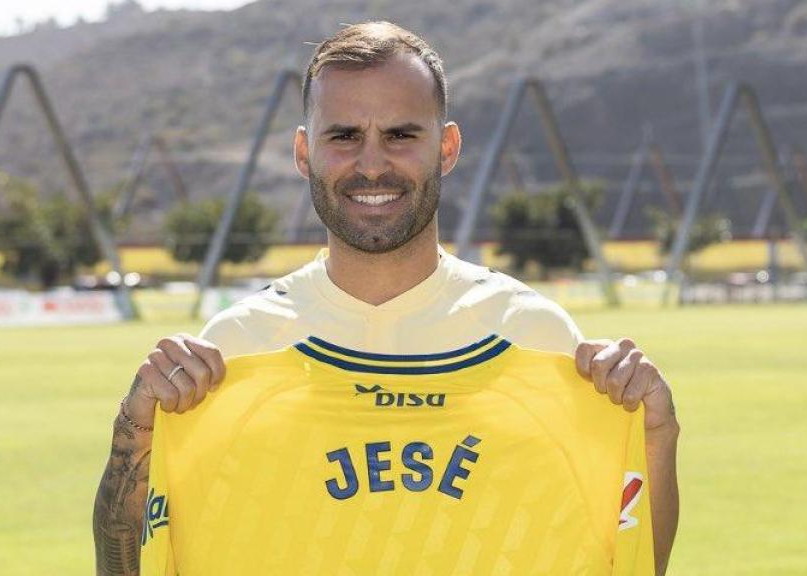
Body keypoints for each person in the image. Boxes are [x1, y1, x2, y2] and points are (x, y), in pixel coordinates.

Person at [94, 21, 679, 576]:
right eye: (344, 136)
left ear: (446, 148)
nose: (372, 164)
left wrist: (655, 436)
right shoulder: (233, 354)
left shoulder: (533, 335)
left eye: (401, 135)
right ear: (304, 153)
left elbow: (626, 560)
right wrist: (136, 433)